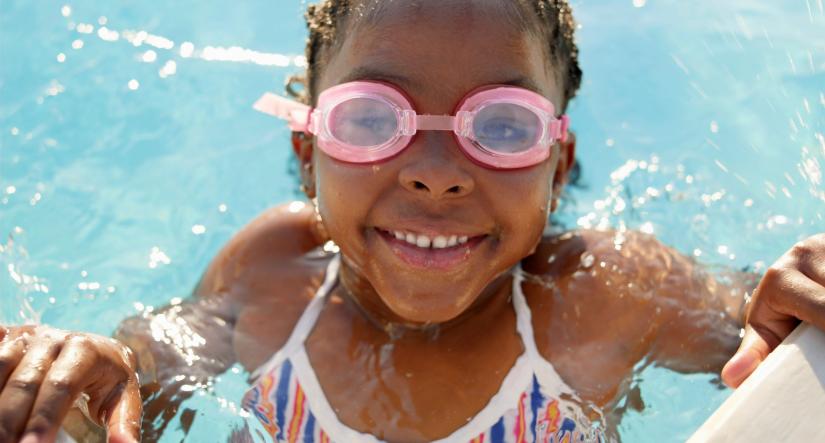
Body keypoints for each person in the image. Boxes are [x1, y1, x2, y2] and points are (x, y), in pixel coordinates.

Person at [1, 0, 824, 442]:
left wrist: (792, 290)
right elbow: (136, 374)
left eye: (500, 127)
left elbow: (765, 321)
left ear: (556, 167)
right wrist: (85, 367)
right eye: (370, 120)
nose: (435, 174)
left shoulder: (607, 292)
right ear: (306, 152)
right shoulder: (270, 271)